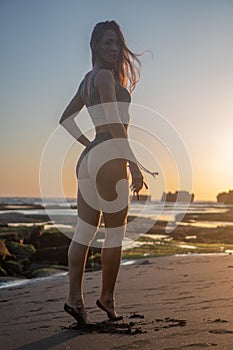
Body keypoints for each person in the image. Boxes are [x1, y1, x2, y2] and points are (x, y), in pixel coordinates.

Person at [59, 20, 157, 326]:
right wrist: (134, 166)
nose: (114, 49)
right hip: (110, 158)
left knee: (84, 233)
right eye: (107, 43)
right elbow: (115, 126)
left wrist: (90, 143)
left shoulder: (86, 81)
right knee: (115, 234)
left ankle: (75, 299)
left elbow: (66, 119)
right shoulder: (103, 78)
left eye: (117, 43)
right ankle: (107, 299)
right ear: (95, 47)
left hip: (89, 159)